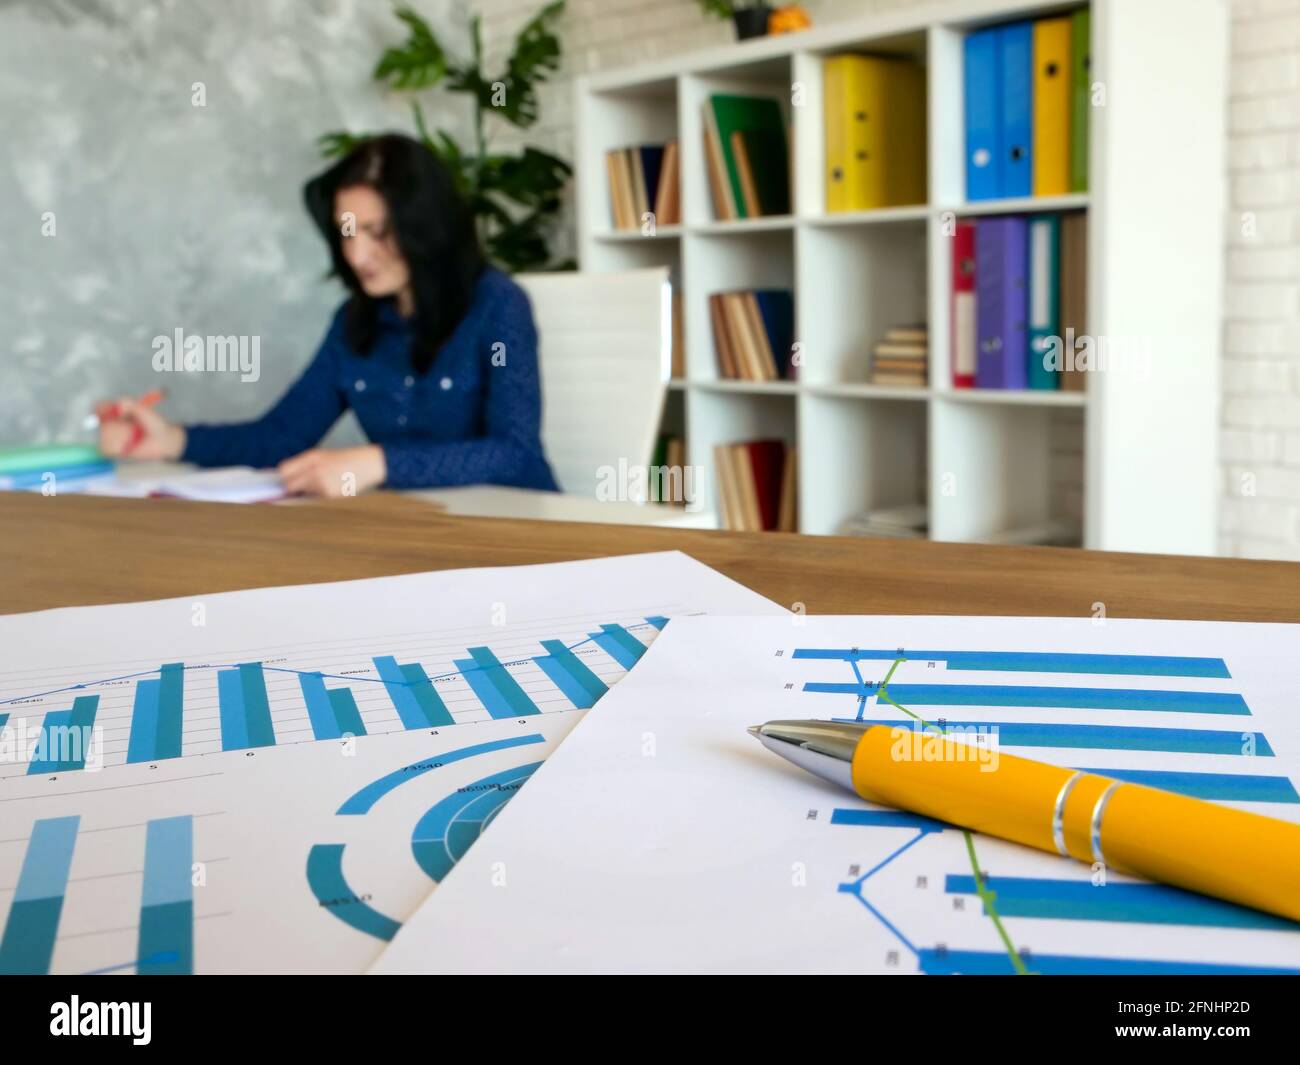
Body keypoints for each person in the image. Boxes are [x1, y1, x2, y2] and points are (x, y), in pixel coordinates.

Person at [97, 134, 559, 497]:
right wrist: (173, 441)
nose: (359, 256)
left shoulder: (497, 305)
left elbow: (514, 452)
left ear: (424, 225)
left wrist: (378, 462)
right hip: (427, 529)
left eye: (378, 232)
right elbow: (280, 436)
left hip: (521, 530)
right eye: (347, 233)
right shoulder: (354, 322)